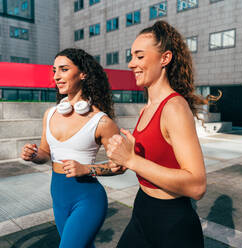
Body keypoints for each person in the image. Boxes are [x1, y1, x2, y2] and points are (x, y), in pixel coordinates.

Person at [106, 21, 207, 248]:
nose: (131, 64)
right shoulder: (146, 108)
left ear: (165, 58)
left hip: (172, 225)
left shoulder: (174, 108)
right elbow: (152, 162)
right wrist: (125, 160)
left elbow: (197, 186)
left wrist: (133, 159)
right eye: (131, 57)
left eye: (139, 57)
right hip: (143, 209)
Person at [20, 48, 124, 248]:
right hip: (59, 199)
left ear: (83, 73)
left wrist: (88, 169)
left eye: (64, 69)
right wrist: (34, 155)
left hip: (87, 200)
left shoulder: (101, 121)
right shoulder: (50, 114)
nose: (56, 76)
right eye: (54, 70)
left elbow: (121, 165)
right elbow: (45, 154)